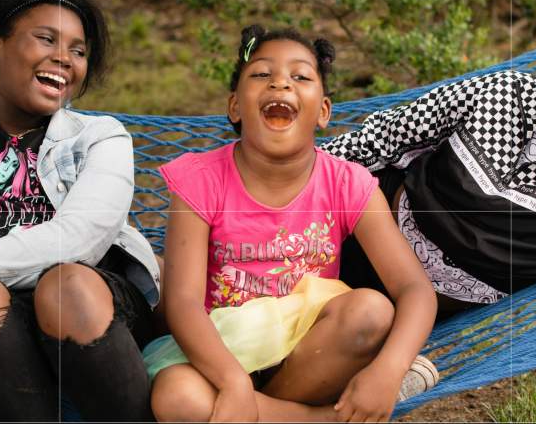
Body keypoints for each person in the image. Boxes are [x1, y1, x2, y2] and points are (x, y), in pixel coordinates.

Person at [145, 24, 438, 423]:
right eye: (262, 74)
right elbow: (182, 302)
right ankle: (323, 420)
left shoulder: (347, 183)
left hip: (312, 357)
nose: (280, 83)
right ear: (234, 106)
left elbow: (414, 289)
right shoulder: (199, 180)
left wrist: (389, 370)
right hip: (222, 353)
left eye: (300, 76)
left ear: (323, 111)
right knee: (177, 398)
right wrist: (232, 381)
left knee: (371, 310)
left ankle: (262, 411)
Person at [0, 0, 162, 422]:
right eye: (46, 39)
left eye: (77, 50)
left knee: (63, 286)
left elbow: (79, 240)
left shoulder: (100, 137)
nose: (65, 59)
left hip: (88, 302)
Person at [324, 7, 536, 315]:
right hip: (354, 229)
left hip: (411, 312)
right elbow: (381, 138)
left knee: (353, 323)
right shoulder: (504, 93)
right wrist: (290, 182)